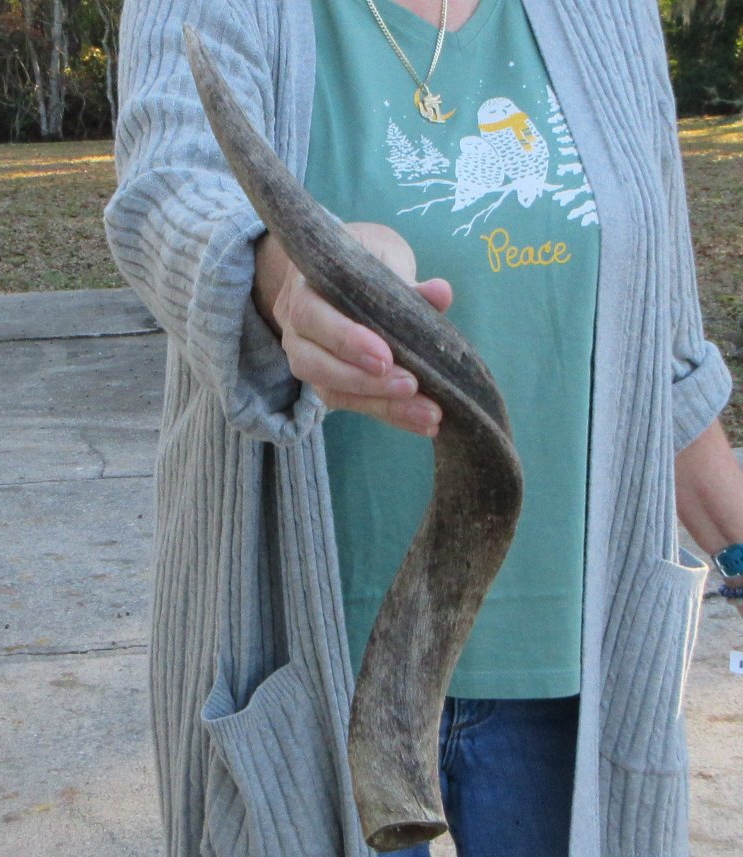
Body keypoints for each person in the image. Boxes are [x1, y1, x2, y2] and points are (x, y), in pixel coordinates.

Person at [104, 1, 743, 855]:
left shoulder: (610, 13)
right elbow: (171, 189)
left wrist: (738, 544)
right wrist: (293, 281)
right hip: (309, 666)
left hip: (564, 671)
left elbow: (659, 351)